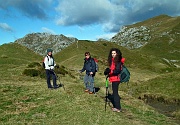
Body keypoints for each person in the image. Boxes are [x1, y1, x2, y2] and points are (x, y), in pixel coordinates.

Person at [104, 48, 125, 112]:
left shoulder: (118, 61)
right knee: (115, 92)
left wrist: (110, 71)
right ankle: (117, 107)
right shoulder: (113, 61)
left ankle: (117, 108)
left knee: (115, 93)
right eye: (112, 53)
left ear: (117, 54)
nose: (113, 54)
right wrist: (108, 73)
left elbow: (117, 71)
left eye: (114, 53)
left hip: (116, 79)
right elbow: (113, 70)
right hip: (113, 78)